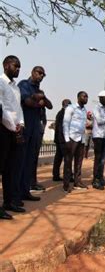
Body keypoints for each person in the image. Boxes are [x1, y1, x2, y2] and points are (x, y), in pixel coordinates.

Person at [17, 66, 53, 198]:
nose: (41, 76)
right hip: (25, 127)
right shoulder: (24, 85)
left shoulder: (39, 90)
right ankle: (16, 192)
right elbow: (27, 102)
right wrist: (38, 101)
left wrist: (40, 97)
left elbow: (49, 105)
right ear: (32, 72)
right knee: (20, 161)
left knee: (30, 161)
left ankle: (25, 191)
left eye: (43, 75)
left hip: (35, 130)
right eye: (39, 73)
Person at [0, 55, 25, 218]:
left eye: (19, 67)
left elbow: (18, 109)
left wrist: (20, 125)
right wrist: (12, 126)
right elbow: (1, 108)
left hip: (14, 131)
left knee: (10, 168)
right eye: (16, 66)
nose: (18, 69)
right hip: (2, 129)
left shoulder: (15, 87)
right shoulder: (0, 83)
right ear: (6, 65)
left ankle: (9, 202)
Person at [63, 91, 89, 192]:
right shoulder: (71, 108)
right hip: (72, 138)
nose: (86, 98)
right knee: (68, 162)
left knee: (79, 162)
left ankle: (77, 182)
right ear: (78, 97)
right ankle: (66, 185)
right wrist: (67, 139)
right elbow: (65, 124)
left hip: (81, 139)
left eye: (87, 97)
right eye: (84, 96)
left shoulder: (84, 110)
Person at [92, 90, 105, 190]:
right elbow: (99, 121)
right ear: (101, 98)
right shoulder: (96, 108)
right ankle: (95, 180)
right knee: (98, 158)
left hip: (103, 135)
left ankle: (99, 177)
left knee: (102, 158)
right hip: (97, 135)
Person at [52, 99, 71, 181]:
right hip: (62, 139)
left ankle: (56, 175)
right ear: (64, 105)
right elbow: (61, 128)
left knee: (58, 158)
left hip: (59, 139)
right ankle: (67, 176)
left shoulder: (61, 113)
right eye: (68, 105)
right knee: (67, 158)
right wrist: (65, 140)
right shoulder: (62, 114)